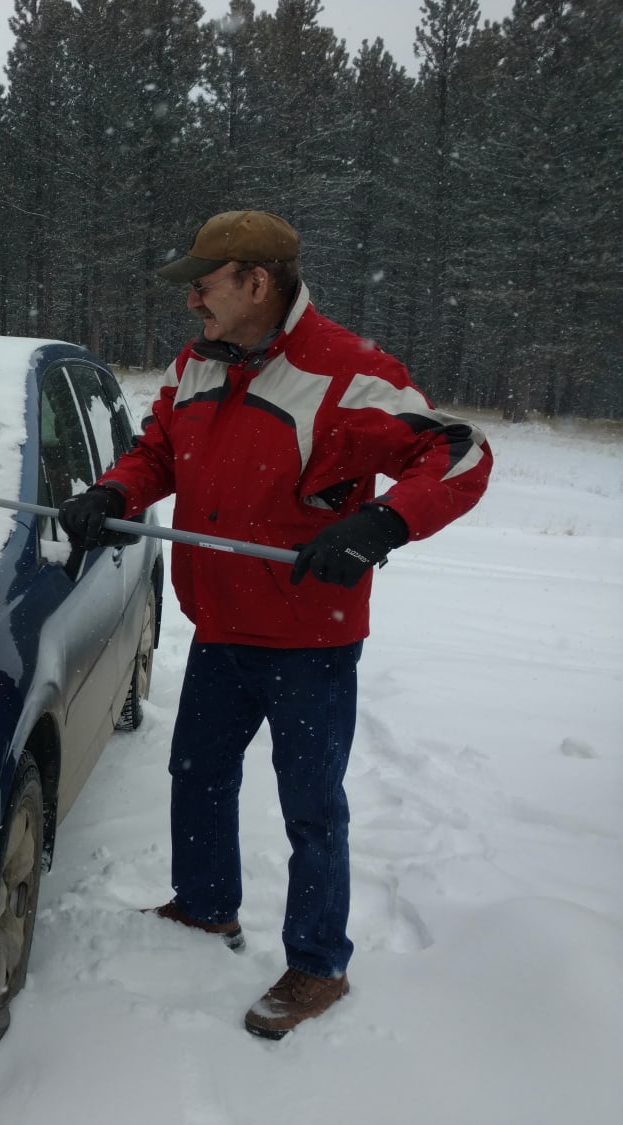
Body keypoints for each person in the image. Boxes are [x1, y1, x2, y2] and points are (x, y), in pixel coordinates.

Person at [59, 210, 491, 1039]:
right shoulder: (197, 367)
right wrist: (116, 491)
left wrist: (381, 524)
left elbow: (459, 453)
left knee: (311, 806)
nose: (192, 300)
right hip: (220, 625)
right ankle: (207, 907)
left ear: (258, 282)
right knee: (199, 771)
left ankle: (319, 963)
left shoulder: (347, 373)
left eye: (204, 283)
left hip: (310, 641)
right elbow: (159, 452)